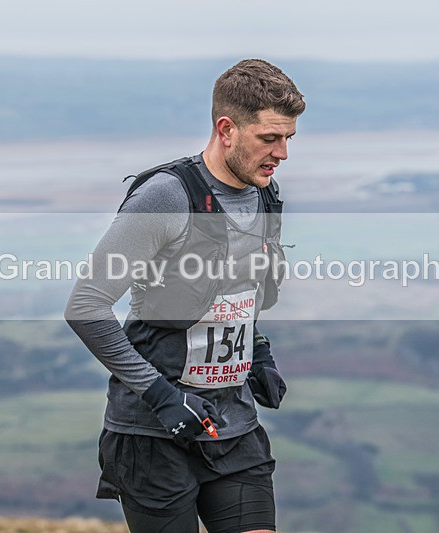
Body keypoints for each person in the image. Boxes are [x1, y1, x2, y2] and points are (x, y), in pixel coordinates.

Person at [65, 58, 305, 533]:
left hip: (231, 425)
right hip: (152, 435)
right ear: (226, 128)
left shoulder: (265, 194)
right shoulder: (166, 197)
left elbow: (239, 290)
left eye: (288, 139)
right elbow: (86, 306)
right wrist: (161, 395)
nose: (282, 154)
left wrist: (258, 353)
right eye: (269, 138)